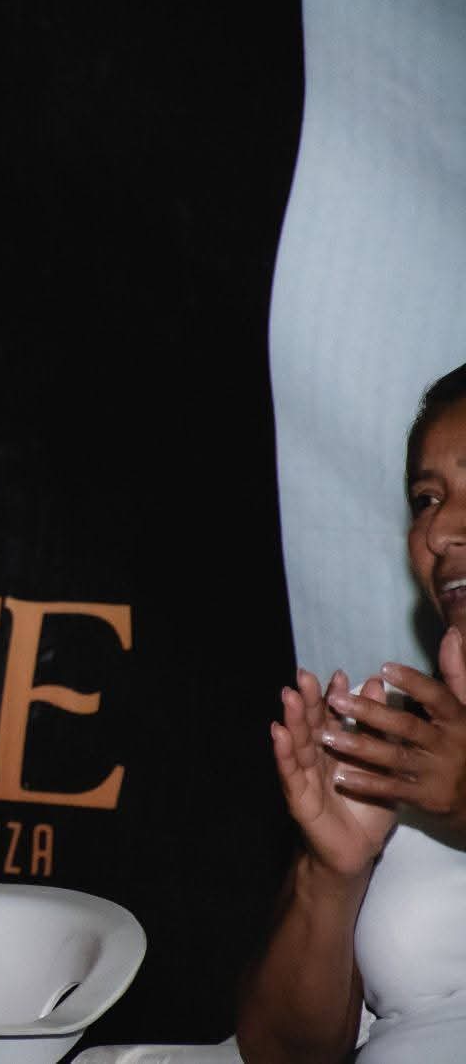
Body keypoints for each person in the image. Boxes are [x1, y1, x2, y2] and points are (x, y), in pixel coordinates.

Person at [239, 364, 466, 1062]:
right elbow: (280, 1054)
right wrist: (331, 873)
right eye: (426, 498)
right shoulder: (400, 742)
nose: (439, 530)